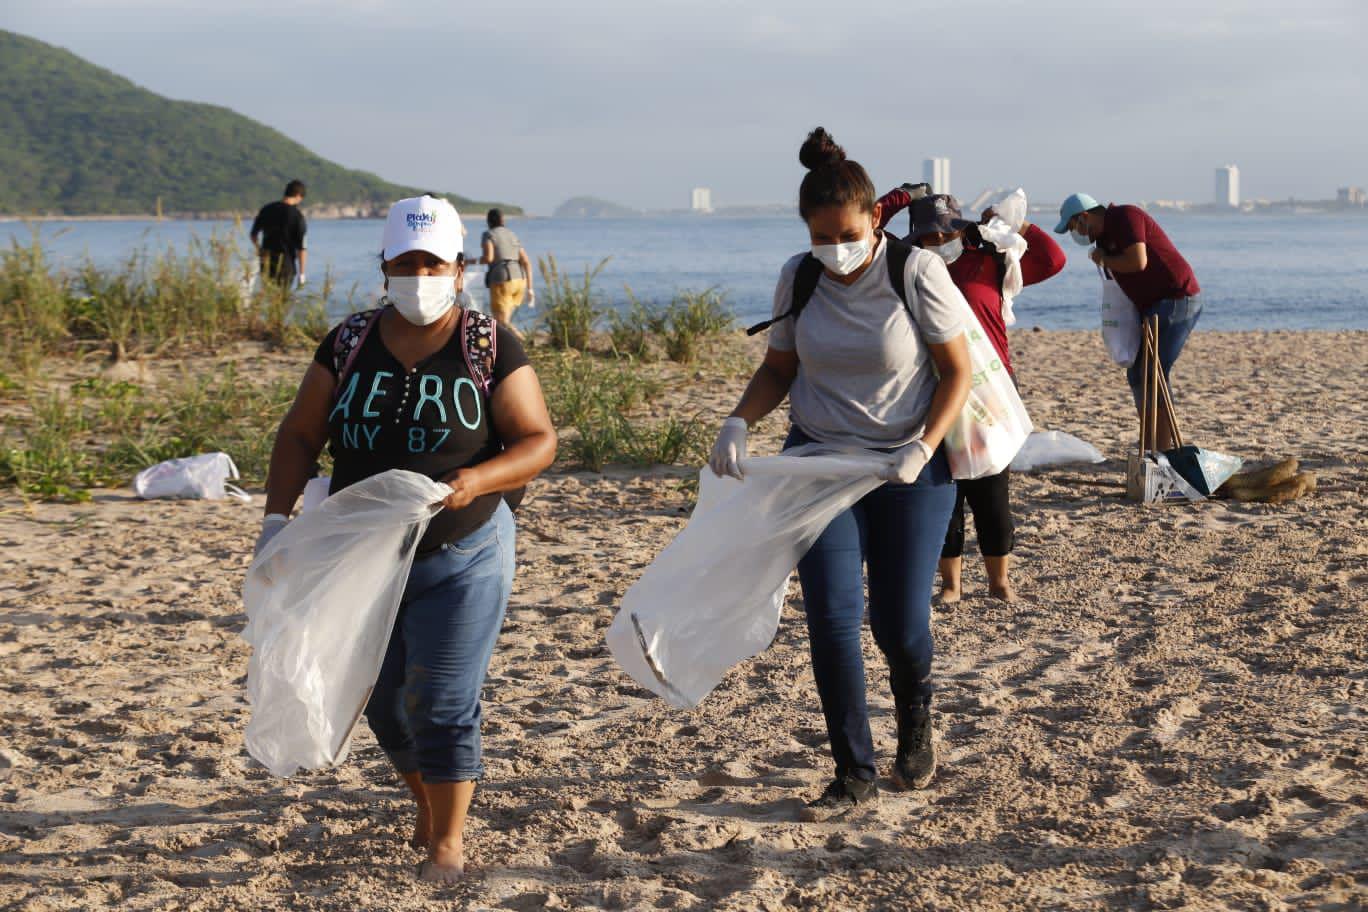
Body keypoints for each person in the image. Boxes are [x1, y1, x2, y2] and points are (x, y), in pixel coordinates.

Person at [254, 195, 557, 881]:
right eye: (406, 262)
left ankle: (449, 841)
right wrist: (275, 524)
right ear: (384, 264)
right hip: (365, 558)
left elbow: (538, 440)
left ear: (458, 268)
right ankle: (426, 798)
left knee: (444, 700)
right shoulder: (348, 342)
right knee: (384, 701)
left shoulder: (487, 344)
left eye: (434, 263)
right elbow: (301, 434)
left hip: (466, 550)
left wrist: (479, 480)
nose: (420, 275)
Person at [710, 128, 973, 815]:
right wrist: (739, 420)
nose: (836, 252)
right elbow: (778, 368)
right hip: (820, 462)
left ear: (874, 219)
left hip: (906, 468)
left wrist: (923, 445)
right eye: (822, 238)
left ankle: (916, 714)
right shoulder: (800, 275)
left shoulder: (916, 273)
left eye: (847, 235)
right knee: (830, 618)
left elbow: (958, 372)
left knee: (899, 624)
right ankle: (852, 769)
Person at [877, 191, 1066, 603]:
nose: (940, 239)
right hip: (936, 389)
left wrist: (1017, 223)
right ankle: (951, 585)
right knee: (947, 490)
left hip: (991, 389)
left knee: (992, 491)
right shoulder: (908, 269)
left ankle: (1000, 583)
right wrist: (902, 197)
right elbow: (870, 228)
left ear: (962, 230)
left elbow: (1053, 260)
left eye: (948, 230)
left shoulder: (991, 261)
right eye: (930, 234)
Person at [1056, 193, 1202, 450]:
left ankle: (1163, 448)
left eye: (1074, 227)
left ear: (1085, 217)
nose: (1075, 234)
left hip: (1178, 299)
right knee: (1137, 372)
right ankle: (1149, 440)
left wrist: (1105, 259)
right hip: (1152, 306)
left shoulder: (1125, 216)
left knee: (1155, 370)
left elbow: (1138, 261)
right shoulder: (1103, 239)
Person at [478, 208, 534, 338]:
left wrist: (470, 261)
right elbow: (526, 262)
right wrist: (530, 289)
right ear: (503, 221)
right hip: (519, 280)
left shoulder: (488, 234)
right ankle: (508, 344)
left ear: (488, 221)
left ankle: (523, 340)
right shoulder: (512, 235)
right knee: (504, 321)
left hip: (502, 280)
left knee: (502, 321)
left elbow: (489, 258)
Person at [250, 179, 309, 289]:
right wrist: (302, 274)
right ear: (298, 196)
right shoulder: (297, 216)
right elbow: (302, 248)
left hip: (266, 263)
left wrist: (259, 250)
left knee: (267, 298)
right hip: (286, 265)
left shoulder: (266, 209)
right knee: (282, 302)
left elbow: (253, 235)